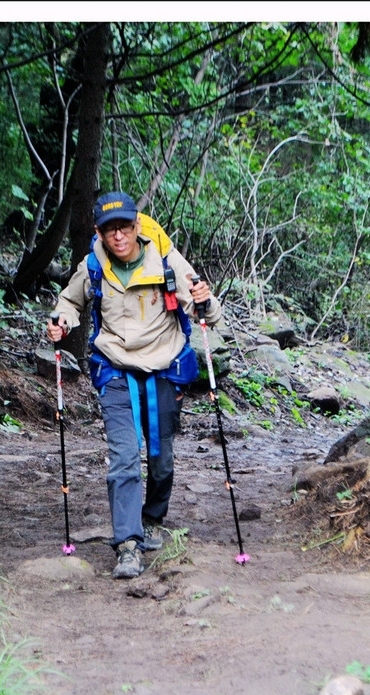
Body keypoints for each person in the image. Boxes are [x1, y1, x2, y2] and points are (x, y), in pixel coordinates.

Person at [47, 191, 222, 579]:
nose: (119, 236)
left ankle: (153, 518)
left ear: (136, 226)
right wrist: (60, 320)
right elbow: (69, 303)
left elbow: (205, 307)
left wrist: (205, 301)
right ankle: (128, 544)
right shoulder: (93, 265)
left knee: (161, 459)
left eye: (125, 227)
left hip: (164, 367)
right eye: (110, 230)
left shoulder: (166, 259)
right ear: (99, 232)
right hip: (115, 370)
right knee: (124, 458)